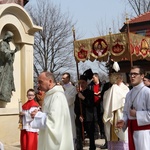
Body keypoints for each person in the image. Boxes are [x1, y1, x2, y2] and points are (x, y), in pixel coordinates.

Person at [30, 72, 74, 150]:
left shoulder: (57, 96)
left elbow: (54, 121)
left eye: (40, 82)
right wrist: (39, 113)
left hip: (58, 142)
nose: (38, 85)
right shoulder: (49, 95)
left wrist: (38, 115)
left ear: (50, 81)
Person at [116, 66, 150, 150]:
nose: (132, 76)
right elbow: (125, 113)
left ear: (142, 76)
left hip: (145, 133)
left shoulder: (147, 92)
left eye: (135, 74)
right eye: (130, 74)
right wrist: (123, 121)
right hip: (132, 130)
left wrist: (137, 114)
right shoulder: (129, 94)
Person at [103, 73, 129, 150]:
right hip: (120, 115)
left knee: (121, 136)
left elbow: (106, 105)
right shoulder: (123, 90)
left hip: (114, 117)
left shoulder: (108, 91)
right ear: (121, 79)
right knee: (122, 136)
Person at [75, 75, 96, 150]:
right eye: (80, 83)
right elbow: (76, 107)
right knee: (79, 135)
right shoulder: (77, 94)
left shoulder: (90, 93)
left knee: (91, 135)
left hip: (88, 117)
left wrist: (83, 98)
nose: (82, 84)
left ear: (86, 83)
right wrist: (79, 115)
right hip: (80, 117)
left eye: (83, 83)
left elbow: (91, 104)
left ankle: (92, 148)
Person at [0, 31, 19, 102]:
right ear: (7, 37)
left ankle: (6, 94)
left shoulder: (7, 44)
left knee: (8, 79)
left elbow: (8, 53)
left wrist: (13, 52)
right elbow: (3, 52)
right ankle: (2, 94)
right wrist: (13, 52)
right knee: (3, 80)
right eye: (10, 38)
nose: (11, 40)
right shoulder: (2, 43)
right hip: (3, 66)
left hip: (8, 67)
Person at [61, 72, 77, 148]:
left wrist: (64, 91)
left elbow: (69, 100)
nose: (62, 79)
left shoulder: (73, 88)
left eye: (64, 78)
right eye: (62, 78)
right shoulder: (60, 88)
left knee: (69, 132)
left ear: (68, 78)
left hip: (69, 113)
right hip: (60, 114)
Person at [88, 73, 105, 139]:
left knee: (101, 119)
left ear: (97, 77)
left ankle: (103, 133)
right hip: (93, 104)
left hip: (100, 103)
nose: (92, 79)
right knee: (95, 119)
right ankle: (96, 134)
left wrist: (100, 94)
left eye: (93, 77)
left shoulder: (102, 85)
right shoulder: (90, 85)